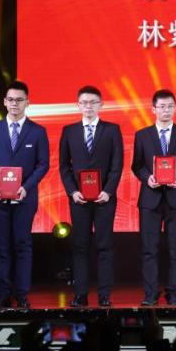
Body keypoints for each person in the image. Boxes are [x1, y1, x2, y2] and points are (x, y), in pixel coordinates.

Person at [0, 80, 50, 308]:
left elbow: (43, 164)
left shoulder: (38, 132)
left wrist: (25, 187)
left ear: (27, 102)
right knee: (1, 247)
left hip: (24, 198)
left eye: (19, 100)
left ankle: (21, 294)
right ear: (4, 102)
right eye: (11, 100)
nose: (14, 104)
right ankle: (2, 294)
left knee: (22, 244)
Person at [58, 85, 124, 307]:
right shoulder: (69, 131)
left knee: (105, 246)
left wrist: (108, 191)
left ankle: (104, 295)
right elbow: (64, 166)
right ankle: (80, 294)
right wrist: (72, 191)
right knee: (80, 246)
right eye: (84, 103)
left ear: (100, 105)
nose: (89, 106)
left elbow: (117, 164)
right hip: (79, 200)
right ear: (78, 105)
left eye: (93, 102)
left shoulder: (112, 130)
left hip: (105, 199)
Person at [132, 89, 176, 306]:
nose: (166, 110)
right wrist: (147, 178)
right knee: (149, 249)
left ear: (175, 108)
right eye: (161, 107)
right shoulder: (142, 135)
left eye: (170, 106)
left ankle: (174, 293)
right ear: (153, 109)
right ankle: (150, 294)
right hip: (149, 199)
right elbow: (136, 165)